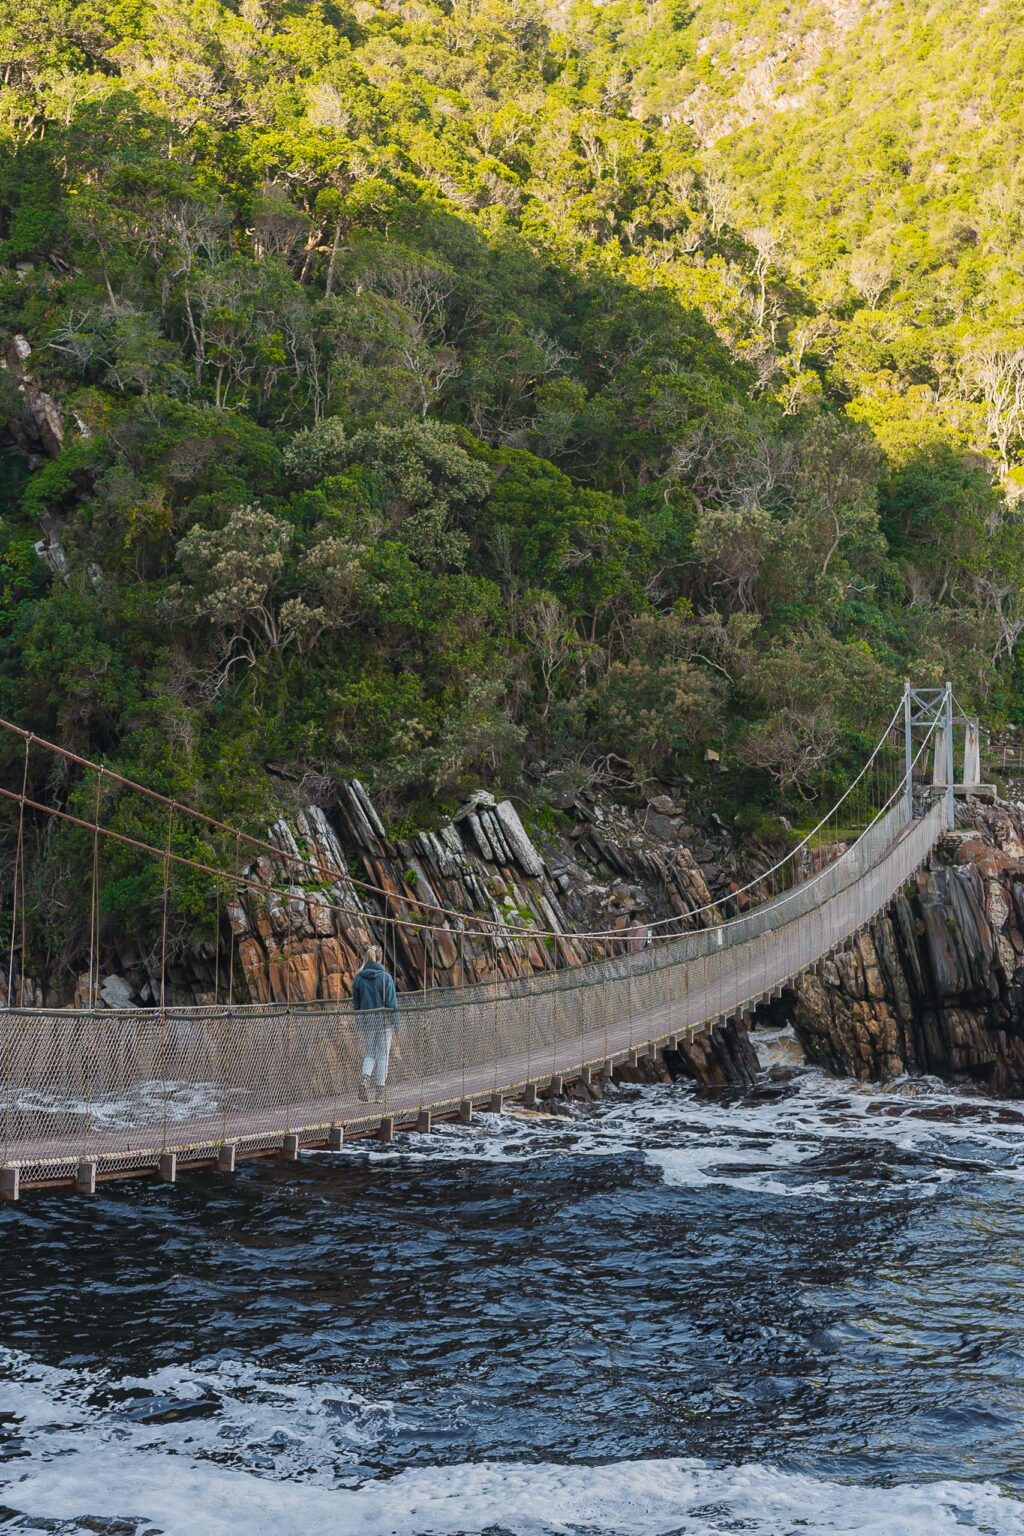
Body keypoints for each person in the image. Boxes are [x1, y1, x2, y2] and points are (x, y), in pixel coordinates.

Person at [352, 945, 399, 1103]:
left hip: (367, 1022)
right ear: (379, 958)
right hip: (384, 1022)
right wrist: (397, 1024)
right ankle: (380, 1093)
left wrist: (360, 1023)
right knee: (383, 1056)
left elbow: (356, 1005)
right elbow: (392, 1003)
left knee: (369, 1054)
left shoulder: (358, 978)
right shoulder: (385, 977)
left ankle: (364, 1081)